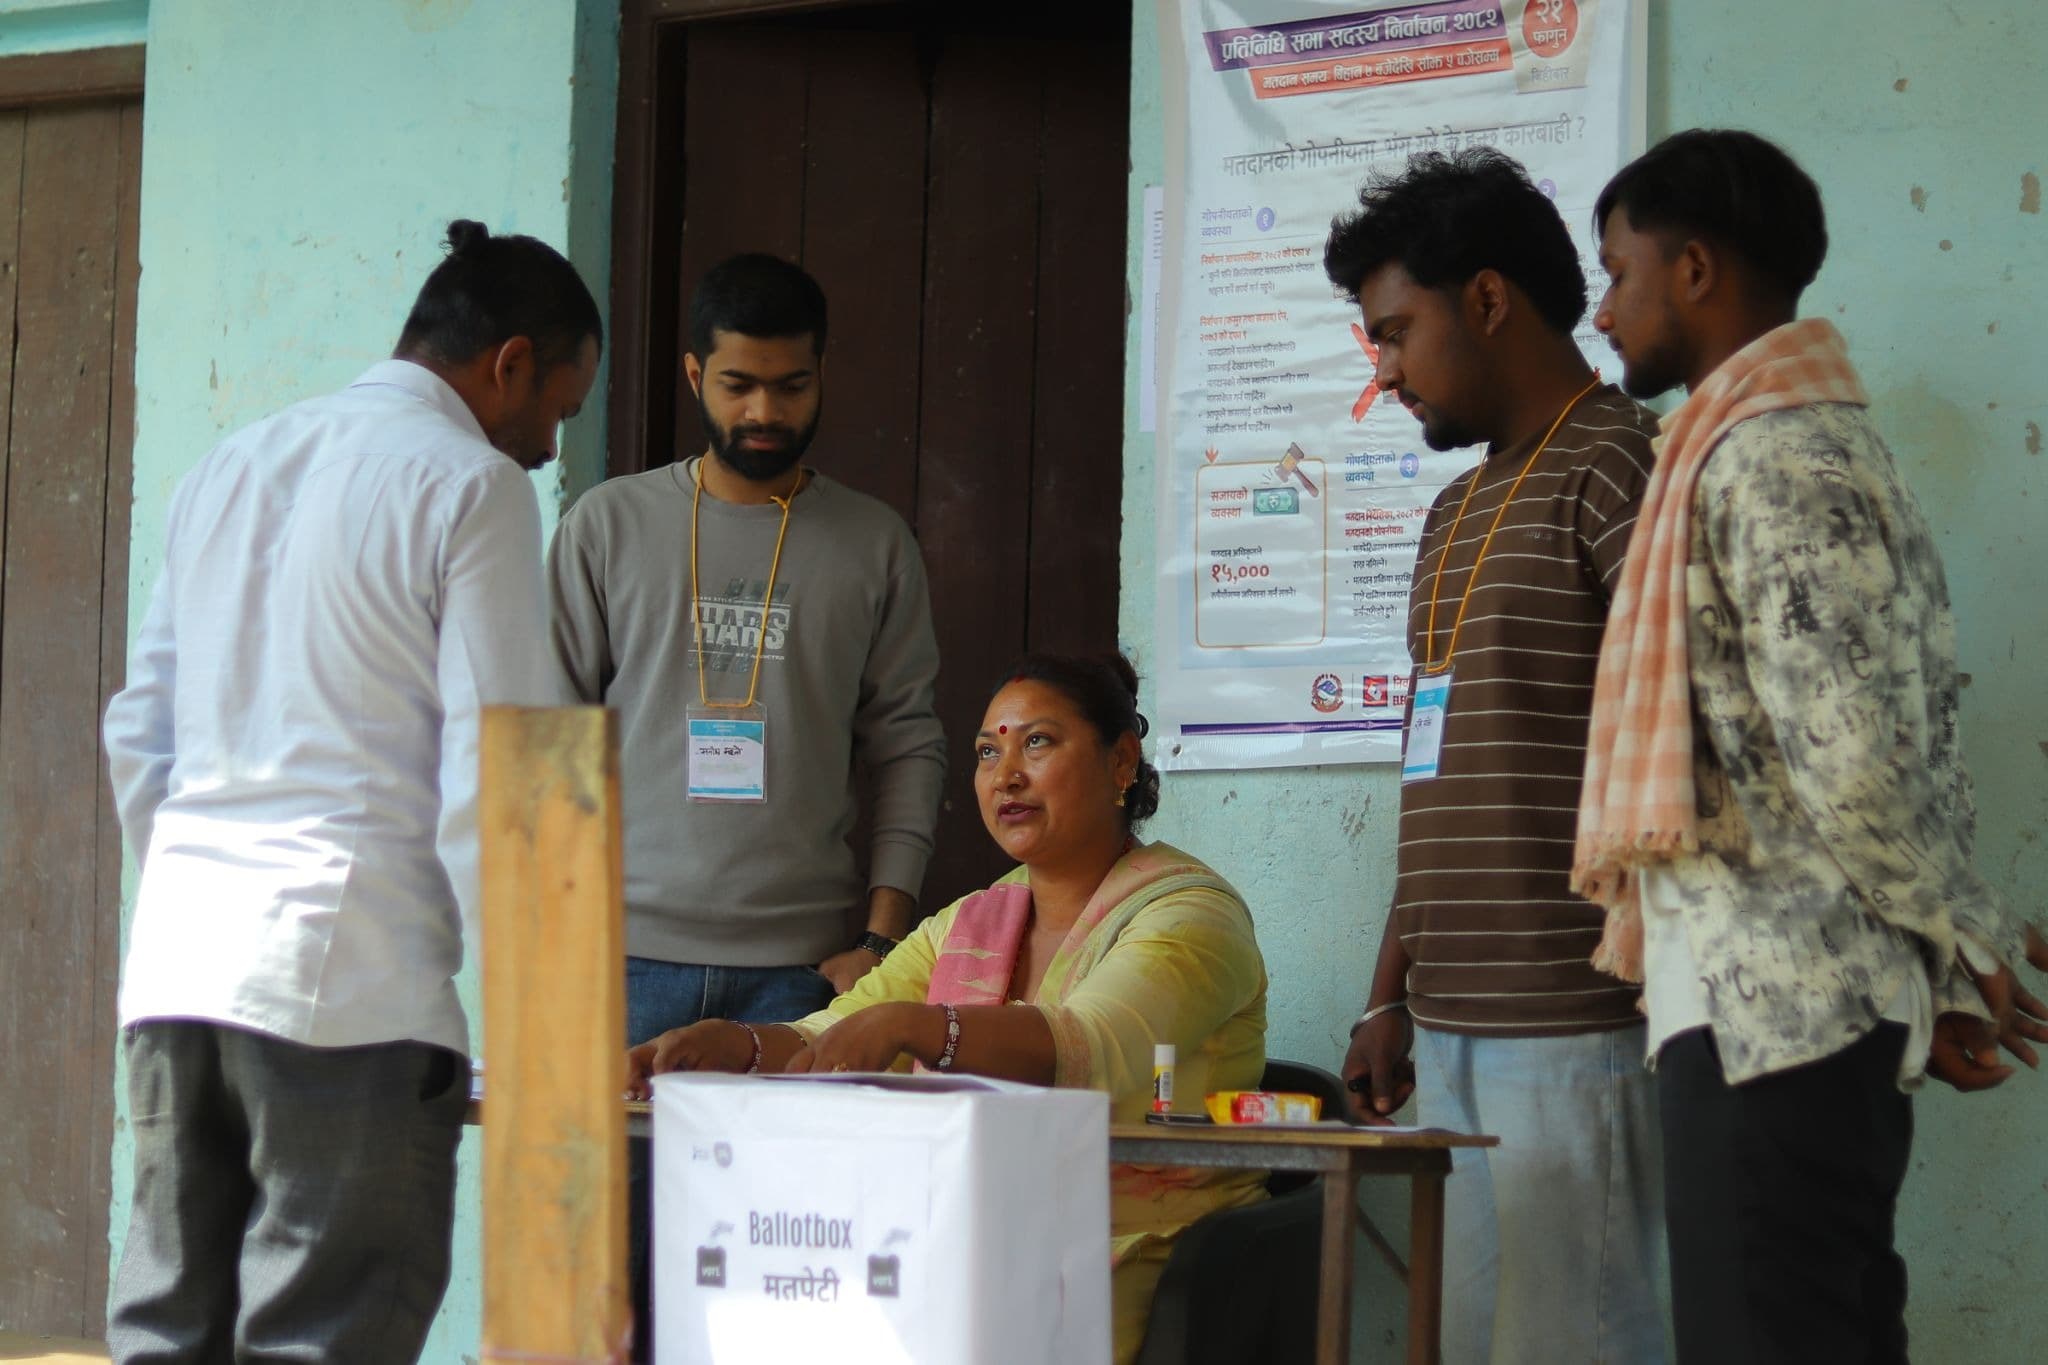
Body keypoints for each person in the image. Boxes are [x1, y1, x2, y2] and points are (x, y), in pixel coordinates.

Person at [1577, 128, 2048, 1363]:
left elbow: (1854, 757)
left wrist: (1963, 936)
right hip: (1770, 1013)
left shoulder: (1776, 456)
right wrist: (1943, 953)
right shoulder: (1744, 446)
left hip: (1776, 1019)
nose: (1601, 306)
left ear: (1692, 269)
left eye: (1616, 270)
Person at [101, 220, 601, 1363]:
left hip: (178, 969)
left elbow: (140, 727)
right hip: (349, 985)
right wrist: (543, 1027)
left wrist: (189, 889)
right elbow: (503, 768)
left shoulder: (232, 461)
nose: (544, 447)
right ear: (508, 363)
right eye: (558, 412)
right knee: (324, 1333)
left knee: (168, 1331)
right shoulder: (469, 485)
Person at [626, 653, 1269, 1365]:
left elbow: (1092, 1045)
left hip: (1144, 1248)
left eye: (1039, 742)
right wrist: (735, 1046)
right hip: (972, 1241)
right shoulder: (968, 921)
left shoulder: (1190, 915)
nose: (1007, 774)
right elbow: (833, 1033)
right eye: (988, 751)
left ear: (1122, 761)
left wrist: (918, 1026)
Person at [549, 252, 945, 1353]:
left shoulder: (872, 544)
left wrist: (879, 933)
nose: (765, 412)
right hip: (621, 964)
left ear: (822, 377)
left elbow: (908, 741)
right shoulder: (606, 527)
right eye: (738, 386)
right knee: (599, 1284)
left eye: (791, 385)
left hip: (800, 978)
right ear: (692, 375)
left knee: (780, 1291)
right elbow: (549, 741)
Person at [1320, 149, 1666, 1364]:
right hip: (1447, 1026)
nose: (1383, 369)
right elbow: (1434, 770)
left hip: (1577, 1020)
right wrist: (1386, 992)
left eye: (1393, 331)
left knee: (1580, 1340)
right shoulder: (1453, 510)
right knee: (1471, 1343)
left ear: (1484, 299)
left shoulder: (1622, 462)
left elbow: (1688, 744)